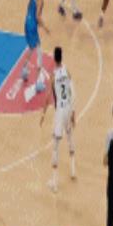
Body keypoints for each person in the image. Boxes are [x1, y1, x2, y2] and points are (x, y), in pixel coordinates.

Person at [40, 47, 76, 192]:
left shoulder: (53, 76)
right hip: (68, 107)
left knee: (55, 145)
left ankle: (54, 183)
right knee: (70, 136)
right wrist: (74, 111)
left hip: (60, 111)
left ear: (54, 59)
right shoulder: (67, 71)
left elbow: (48, 96)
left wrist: (43, 114)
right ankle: (73, 170)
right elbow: (72, 91)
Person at [21, 0, 50, 92]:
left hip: (26, 22)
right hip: (32, 25)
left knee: (31, 48)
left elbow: (28, 6)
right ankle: (38, 83)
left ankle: (24, 71)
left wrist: (30, 18)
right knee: (39, 51)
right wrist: (45, 27)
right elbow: (38, 16)